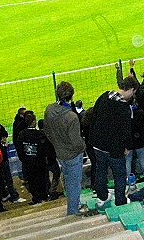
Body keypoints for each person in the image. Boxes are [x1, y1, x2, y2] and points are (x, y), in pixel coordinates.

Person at [89, 76, 137, 207]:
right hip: (114, 149)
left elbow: (94, 117)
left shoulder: (103, 97)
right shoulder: (124, 108)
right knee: (119, 175)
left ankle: (102, 197)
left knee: (100, 171)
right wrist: (127, 147)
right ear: (131, 89)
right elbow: (126, 131)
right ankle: (120, 200)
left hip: (98, 145)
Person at [44, 81, 86, 216]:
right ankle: (73, 211)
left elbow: (47, 131)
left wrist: (57, 143)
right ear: (71, 96)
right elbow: (76, 142)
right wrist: (83, 146)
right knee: (74, 183)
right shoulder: (71, 117)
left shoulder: (49, 110)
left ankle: (75, 203)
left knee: (68, 179)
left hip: (59, 152)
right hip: (73, 154)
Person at [0, 121, 24, 204]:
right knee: (8, 179)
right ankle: (14, 197)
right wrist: (4, 146)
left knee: (1, 180)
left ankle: (4, 195)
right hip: (2, 162)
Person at [16, 112, 49, 205]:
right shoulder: (39, 134)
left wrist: (24, 159)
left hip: (28, 163)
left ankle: (36, 197)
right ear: (34, 121)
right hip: (39, 162)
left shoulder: (21, 135)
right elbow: (44, 148)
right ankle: (43, 196)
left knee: (32, 180)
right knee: (42, 179)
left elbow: (19, 149)